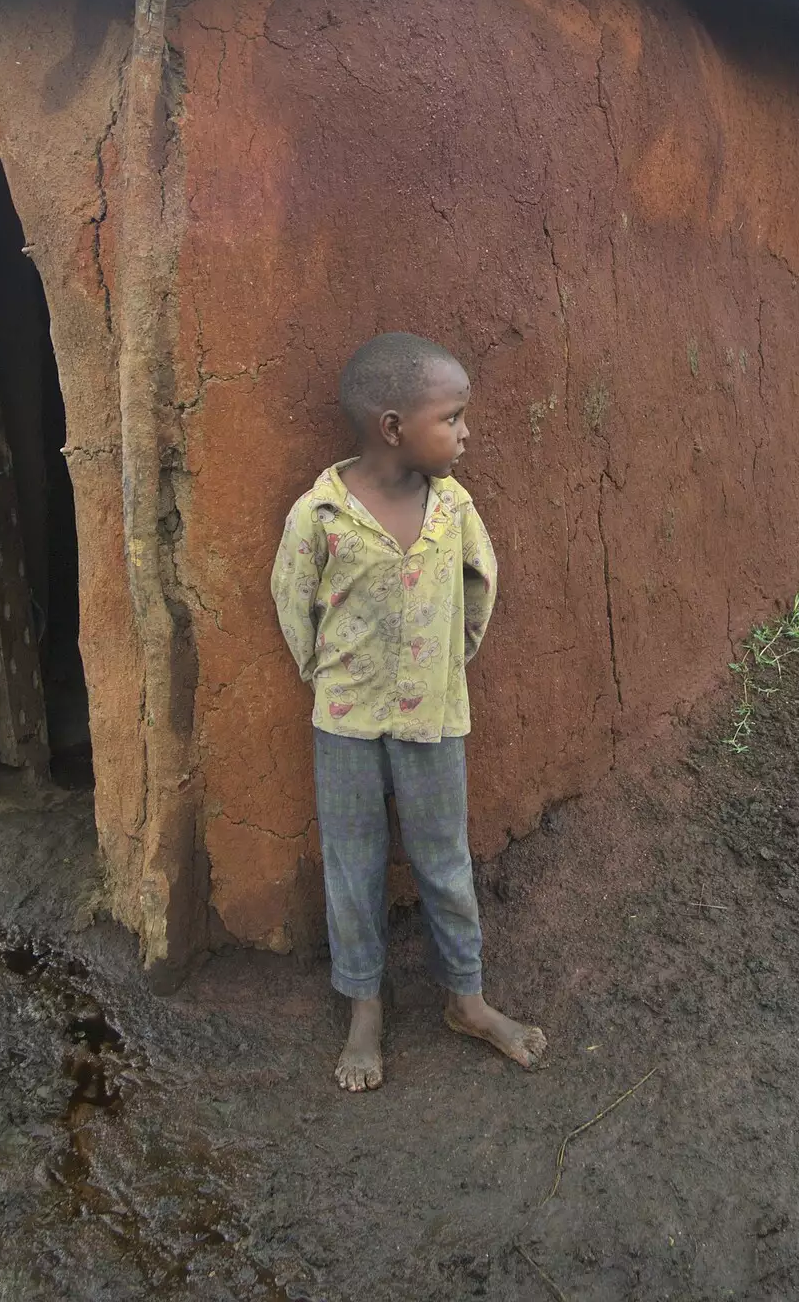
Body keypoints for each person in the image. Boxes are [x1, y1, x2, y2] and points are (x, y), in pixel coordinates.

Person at [270, 332, 547, 1091]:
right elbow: (292, 602)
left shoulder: (452, 506)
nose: (465, 433)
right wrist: (326, 677)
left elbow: (478, 591)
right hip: (345, 727)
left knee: (444, 863)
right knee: (352, 868)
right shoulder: (320, 512)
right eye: (451, 418)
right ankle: (364, 1006)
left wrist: (442, 672)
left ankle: (466, 997)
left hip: (432, 721)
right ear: (394, 428)